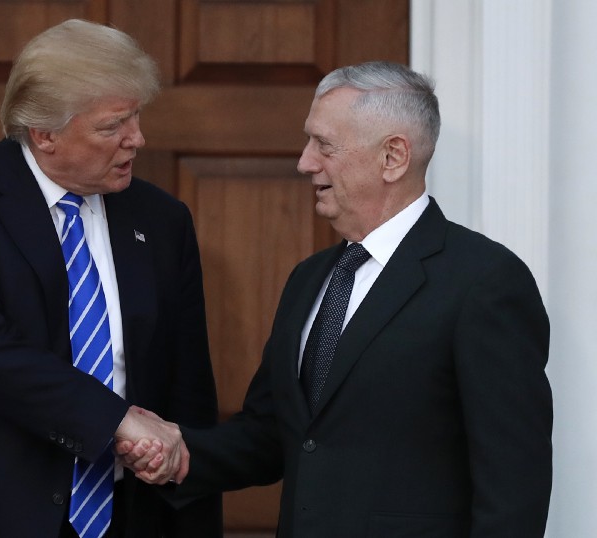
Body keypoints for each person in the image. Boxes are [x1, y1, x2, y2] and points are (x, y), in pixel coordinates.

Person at [120, 61, 553, 537]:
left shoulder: (485, 282)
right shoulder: (310, 279)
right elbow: (274, 434)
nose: (304, 162)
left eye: (324, 145)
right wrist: (178, 454)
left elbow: (513, 488)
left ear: (393, 157)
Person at [0, 19, 221, 538]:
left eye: (137, 117)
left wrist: (189, 499)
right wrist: (115, 420)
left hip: (127, 513)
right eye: (112, 126)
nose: (137, 139)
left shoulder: (161, 218)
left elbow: (186, 382)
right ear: (45, 133)